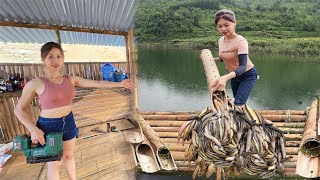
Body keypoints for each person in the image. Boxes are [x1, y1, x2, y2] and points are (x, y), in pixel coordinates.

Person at [14, 42, 136, 180]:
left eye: (59, 56)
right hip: (48, 126)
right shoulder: (36, 83)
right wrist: (33, 129)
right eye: (50, 57)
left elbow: (97, 83)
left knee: (68, 156)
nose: (55, 61)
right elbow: (19, 110)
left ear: (63, 58)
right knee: (54, 163)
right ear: (43, 59)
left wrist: (120, 83)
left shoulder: (71, 79)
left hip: (69, 122)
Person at [212, 9, 257, 108]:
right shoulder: (220, 40)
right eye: (219, 26)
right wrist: (212, 60)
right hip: (234, 75)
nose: (223, 29)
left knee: (238, 103)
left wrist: (224, 77)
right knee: (238, 102)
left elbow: (242, 66)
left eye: (226, 25)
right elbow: (225, 57)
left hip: (247, 75)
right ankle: (244, 119)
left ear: (234, 23)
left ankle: (252, 122)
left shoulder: (241, 41)